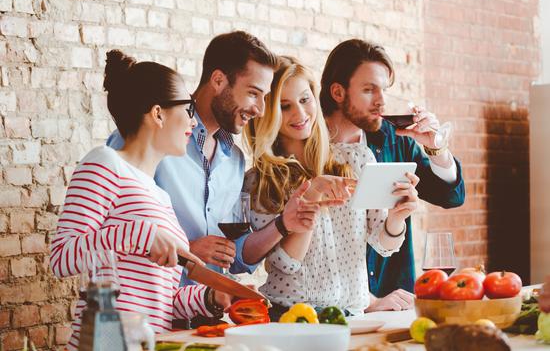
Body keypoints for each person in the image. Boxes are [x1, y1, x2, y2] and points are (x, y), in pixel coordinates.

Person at [50, 50, 235, 350]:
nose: (193, 121)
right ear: (158, 113)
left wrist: (210, 297)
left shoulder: (159, 194)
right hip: (106, 342)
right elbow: (62, 258)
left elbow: (161, 301)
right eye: (188, 110)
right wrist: (142, 234)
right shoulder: (105, 162)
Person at [243, 56, 420, 319]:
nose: (300, 114)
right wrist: (311, 196)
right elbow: (286, 264)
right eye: (285, 106)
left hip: (353, 316)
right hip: (292, 317)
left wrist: (397, 218)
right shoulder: (261, 180)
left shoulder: (357, 159)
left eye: (305, 100)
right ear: (269, 113)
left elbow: (383, 245)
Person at [107, 31, 280, 280]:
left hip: (206, 310)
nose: (261, 110)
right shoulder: (148, 134)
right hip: (150, 310)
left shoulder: (235, 160)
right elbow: (111, 237)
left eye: (264, 97)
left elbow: (235, 255)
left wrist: (287, 223)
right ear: (218, 80)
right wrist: (186, 249)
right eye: (253, 93)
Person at [320, 39, 465, 312]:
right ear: (338, 92)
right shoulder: (308, 146)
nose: (382, 101)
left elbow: (451, 196)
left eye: (384, 90)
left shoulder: (393, 139)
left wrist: (436, 147)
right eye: (368, 90)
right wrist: (368, 302)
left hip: (395, 302)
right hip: (331, 309)